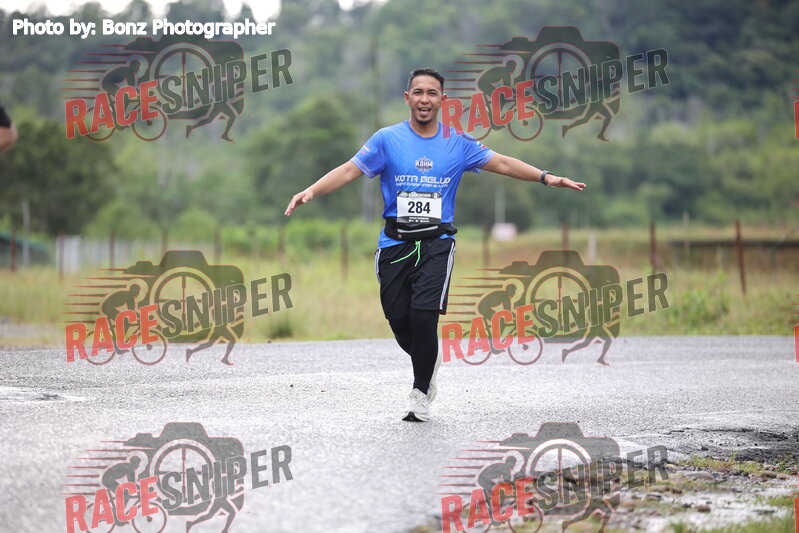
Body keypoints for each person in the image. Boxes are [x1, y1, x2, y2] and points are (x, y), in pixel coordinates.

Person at [284, 67, 586, 422]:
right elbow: (350, 169)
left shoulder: (457, 142)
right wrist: (311, 191)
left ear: (442, 99)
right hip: (394, 244)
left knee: (424, 316)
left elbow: (503, 163)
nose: (424, 99)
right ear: (407, 98)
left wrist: (547, 178)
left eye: (431, 93)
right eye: (418, 92)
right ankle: (428, 360)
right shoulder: (386, 139)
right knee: (400, 321)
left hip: (437, 244)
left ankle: (420, 392)